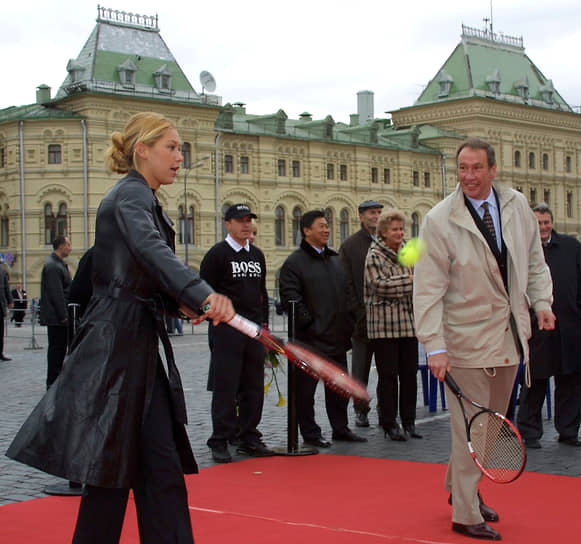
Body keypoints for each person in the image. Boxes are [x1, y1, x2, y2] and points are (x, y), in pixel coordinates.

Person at [7, 111, 234, 544]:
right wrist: (199, 291)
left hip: (133, 345)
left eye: (180, 148)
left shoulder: (142, 198)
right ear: (141, 150)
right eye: (171, 147)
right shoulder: (129, 198)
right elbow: (151, 253)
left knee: (142, 470)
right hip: (117, 348)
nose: (179, 157)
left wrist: (181, 303)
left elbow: (141, 272)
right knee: (117, 472)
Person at [413, 137, 555, 541]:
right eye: (462, 168)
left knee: (490, 429)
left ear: (493, 169)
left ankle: (462, 489)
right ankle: (464, 511)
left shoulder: (516, 206)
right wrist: (434, 346)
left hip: (510, 340)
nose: (469, 177)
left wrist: (542, 303)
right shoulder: (439, 219)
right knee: (471, 429)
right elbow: (426, 288)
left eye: (476, 168)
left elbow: (534, 263)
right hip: (465, 342)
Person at [279, 210, 366, 448]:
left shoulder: (335, 260)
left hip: (337, 338)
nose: (326, 230)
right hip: (310, 341)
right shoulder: (294, 263)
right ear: (306, 230)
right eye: (321, 226)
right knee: (305, 393)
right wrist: (311, 324)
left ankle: (341, 428)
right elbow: (291, 298)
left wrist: (348, 322)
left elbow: (348, 293)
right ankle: (310, 433)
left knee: (339, 389)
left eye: (328, 226)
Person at [201, 203, 273, 463]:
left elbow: (262, 295)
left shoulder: (257, 255)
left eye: (249, 220)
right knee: (226, 387)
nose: (246, 225)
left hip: (253, 332)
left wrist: (264, 328)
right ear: (227, 224)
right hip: (226, 331)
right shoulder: (217, 255)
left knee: (253, 387)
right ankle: (220, 438)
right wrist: (215, 317)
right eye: (240, 220)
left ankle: (249, 436)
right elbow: (204, 293)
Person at [517, 203, 581, 448]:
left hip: (570, 327)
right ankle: (529, 432)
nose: (542, 228)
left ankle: (568, 430)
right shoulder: (521, 251)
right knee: (535, 382)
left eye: (546, 222)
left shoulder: (572, 247)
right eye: (537, 223)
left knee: (571, 382)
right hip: (537, 329)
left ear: (552, 223)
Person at [364, 209, 420, 441]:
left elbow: (422, 277)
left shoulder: (409, 251)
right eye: (394, 229)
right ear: (384, 232)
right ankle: (389, 423)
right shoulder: (374, 254)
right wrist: (409, 281)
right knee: (388, 377)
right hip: (384, 327)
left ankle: (409, 422)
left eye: (401, 228)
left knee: (409, 375)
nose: (399, 233)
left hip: (408, 323)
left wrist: (411, 282)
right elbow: (380, 285)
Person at [339, 199, 383, 428]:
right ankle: (360, 410)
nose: (376, 216)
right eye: (371, 213)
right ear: (361, 216)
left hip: (387, 322)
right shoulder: (350, 245)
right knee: (359, 371)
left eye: (378, 212)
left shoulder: (390, 241)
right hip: (362, 321)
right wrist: (356, 313)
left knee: (387, 372)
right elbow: (345, 283)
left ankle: (385, 411)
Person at [38, 236, 72, 387]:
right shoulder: (53, 266)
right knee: (56, 351)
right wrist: (64, 316)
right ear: (61, 246)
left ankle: (56, 381)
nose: (70, 248)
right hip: (56, 318)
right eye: (68, 244)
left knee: (59, 350)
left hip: (58, 317)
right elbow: (56, 293)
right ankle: (52, 382)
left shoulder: (57, 264)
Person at [0, 259, 13, 361]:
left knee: (1, 332)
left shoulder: (2, 270)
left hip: (1, 304)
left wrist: (10, 300)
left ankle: (0, 352)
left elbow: (6, 287)